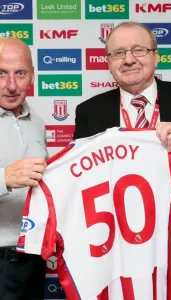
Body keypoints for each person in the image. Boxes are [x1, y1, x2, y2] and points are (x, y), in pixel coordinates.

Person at [73, 21, 171, 300]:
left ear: (156, 55)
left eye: (139, 49)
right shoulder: (89, 112)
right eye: (119, 53)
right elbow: (80, 185)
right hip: (117, 256)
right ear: (108, 62)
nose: (129, 59)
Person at [0, 38, 48, 300]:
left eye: (20, 73)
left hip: (31, 255)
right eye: (1, 73)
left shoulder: (36, 122)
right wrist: (5, 177)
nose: (11, 85)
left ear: (32, 76)